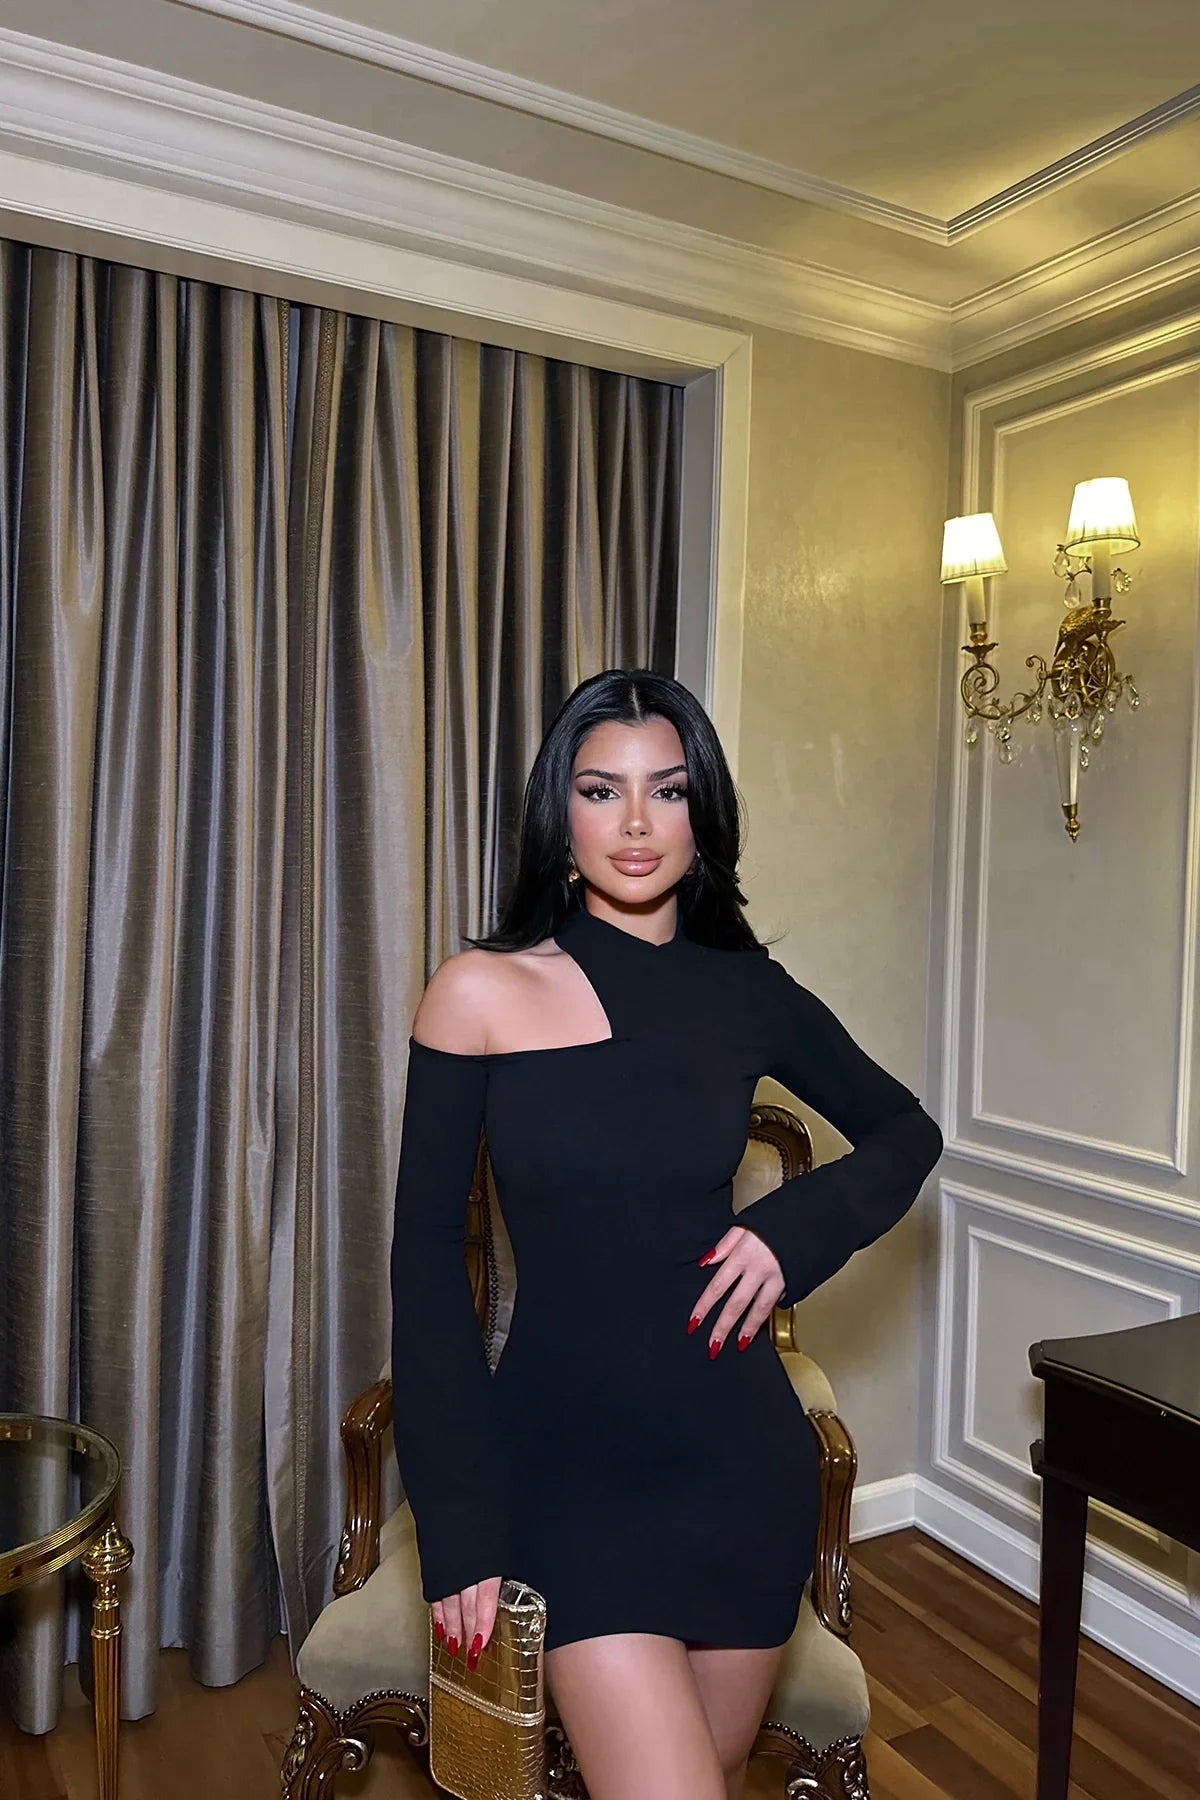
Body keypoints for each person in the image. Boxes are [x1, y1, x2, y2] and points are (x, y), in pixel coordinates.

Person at [390, 668, 943, 1800]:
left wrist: (793, 1230)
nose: (637, 823)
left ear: (704, 814)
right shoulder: (478, 991)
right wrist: (459, 1523)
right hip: (566, 1470)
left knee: (715, 1770)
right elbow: (424, 1260)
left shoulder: (746, 992)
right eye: (602, 790)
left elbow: (907, 1131)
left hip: (741, 1465)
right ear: (560, 815)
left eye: (669, 789)